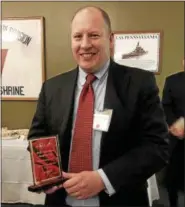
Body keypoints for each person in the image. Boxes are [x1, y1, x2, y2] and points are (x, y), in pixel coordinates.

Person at [28, 6, 169, 207]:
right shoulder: (52, 87)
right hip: (61, 200)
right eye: (78, 36)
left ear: (110, 40)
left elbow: (157, 148)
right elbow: (38, 135)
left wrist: (104, 178)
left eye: (94, 35)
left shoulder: (139, 83)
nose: (85, 44)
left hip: (120, 199)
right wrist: (48, 174)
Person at [162, 60, 185, 207]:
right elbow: (166, 105)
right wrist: (174, 124)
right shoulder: (172, 81)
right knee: (173, 179)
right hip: (177, 137)